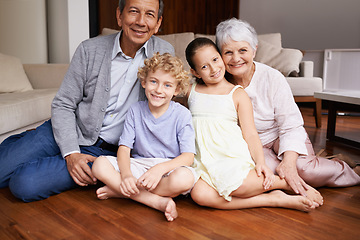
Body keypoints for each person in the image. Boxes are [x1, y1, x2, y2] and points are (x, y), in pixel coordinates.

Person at [0, 0, 175, 202]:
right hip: (66, 130)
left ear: (158, 23)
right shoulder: (89, 49)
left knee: (24, 185)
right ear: (119, 15)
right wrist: (71, 152)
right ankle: (27, 144)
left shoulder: (163, 53)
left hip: (105, 154)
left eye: (150, 15)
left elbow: (178, 91)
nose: (141, 21)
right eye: (133, 11)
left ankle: (31, 152)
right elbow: (63, 103)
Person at [215, 18, 360, 197]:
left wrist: (290, 163)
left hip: (281, 134)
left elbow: (290, 125)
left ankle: (347, 169)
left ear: (254, 50)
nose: (236, 58)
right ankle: (324, 161)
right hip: (253, 146)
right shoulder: (218, 83)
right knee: (270, 174)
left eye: (242, 50)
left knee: (303, 170)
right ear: (220, 55)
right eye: (228, 52)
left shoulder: (272, 77)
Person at [185, 37, 323, 212]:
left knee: (237, 186)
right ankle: (272, 199)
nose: (213, 69)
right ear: (195, 72)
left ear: (221, 58)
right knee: (200, 196)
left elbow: (250, 133)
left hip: (229, 158)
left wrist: (260, 162)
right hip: (203, 161)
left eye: (215, 60)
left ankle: (284, 183)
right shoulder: (191, 91)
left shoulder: (237, 94)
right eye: (204, 66)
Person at [92, 52, 196, 221]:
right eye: (153, 81)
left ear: (177, 89)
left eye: (167, 85)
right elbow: (124, 149)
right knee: (99, 165)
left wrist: (159, 169)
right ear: (144, 82)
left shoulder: (182, 114)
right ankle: (155, 201)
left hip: (167, 168)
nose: (158, 90)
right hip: (139, 165)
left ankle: (122, 191)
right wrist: (125, 176)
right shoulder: (135, 110)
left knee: (184, 179)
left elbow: (188, 157)